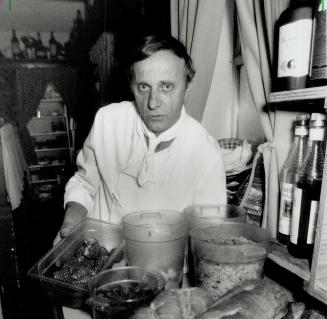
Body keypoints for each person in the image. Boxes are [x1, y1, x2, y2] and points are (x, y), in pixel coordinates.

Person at [55, 33, 227, 242]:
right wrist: (71, 223)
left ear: (187, 88)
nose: (153, 103)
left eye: (167, 86)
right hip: (99, 252)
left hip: (160, 264)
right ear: (132, 87)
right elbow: (85, 183)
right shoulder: (108, 121)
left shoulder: (206, 154)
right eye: (144, 87)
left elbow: (207, 236)